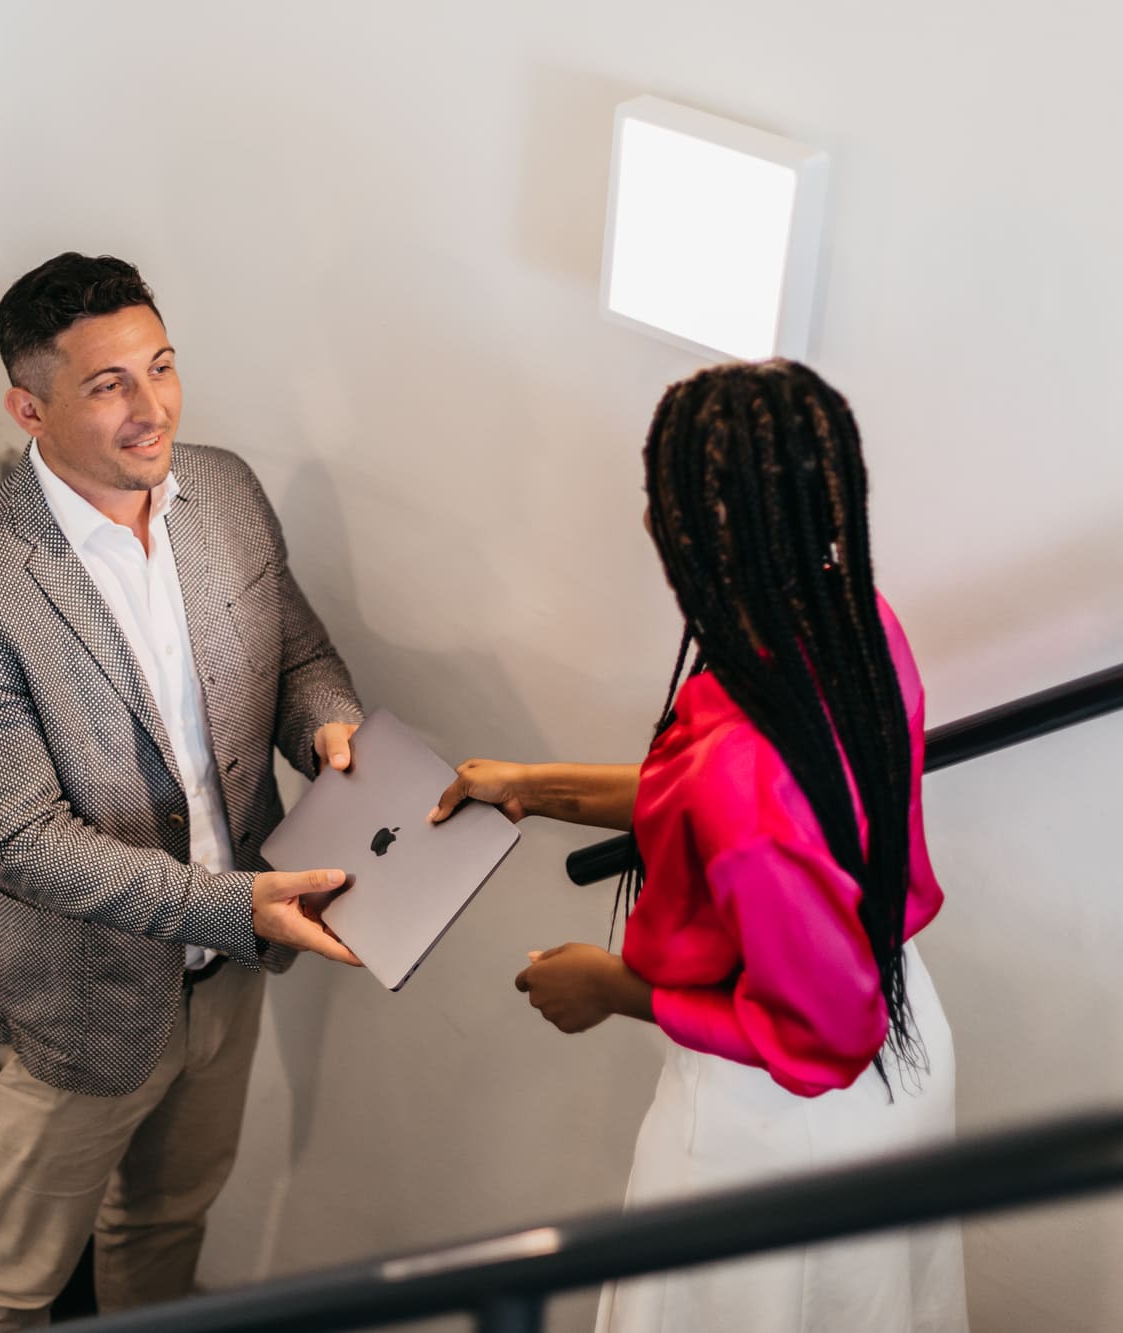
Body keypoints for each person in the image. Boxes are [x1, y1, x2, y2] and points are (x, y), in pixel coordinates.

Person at [432, 359, 967, 1331]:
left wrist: (606, 988)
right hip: (904, 1034)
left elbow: (820, 1037)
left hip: (782, 1118)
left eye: (657, 500)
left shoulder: (741, 772)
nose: (645, 522)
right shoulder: (853, 624)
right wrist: (532, 787)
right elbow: (728, 804)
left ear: (688, 533)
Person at [0, 252, 365, 1330]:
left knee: (165, 1224)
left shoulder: (226, 490)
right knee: (7, 1285)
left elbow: (298, 653)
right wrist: (232, 906)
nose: (150, 407)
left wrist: (330, 727)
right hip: (73, 1004)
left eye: (160, 367)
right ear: (29, 405)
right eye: (108, 383)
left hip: (231, 972)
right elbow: (23, 841)